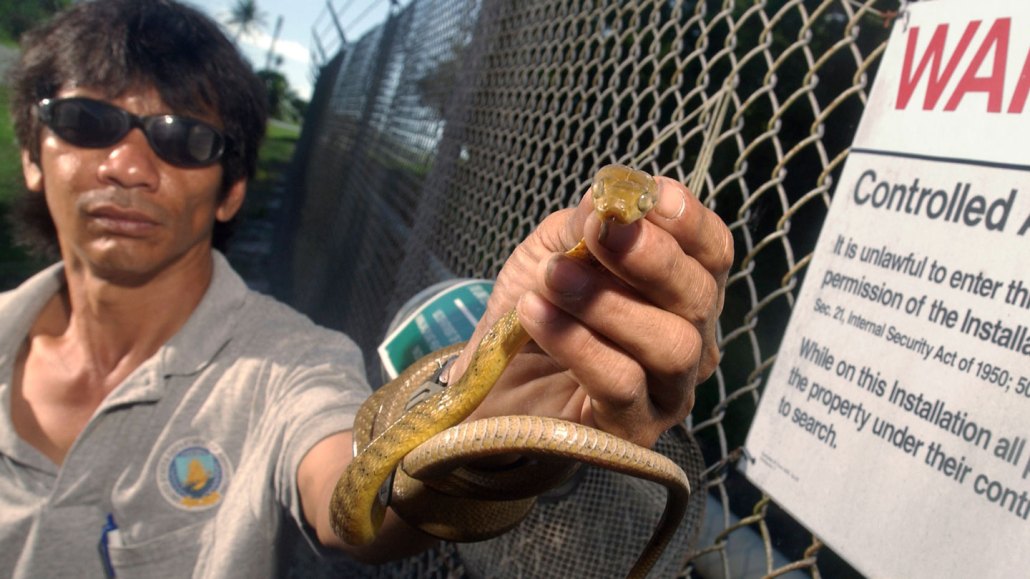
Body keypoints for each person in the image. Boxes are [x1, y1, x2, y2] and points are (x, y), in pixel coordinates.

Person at [0, 0, 733, 577]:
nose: (127, 165)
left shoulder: (290, 360)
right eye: (87, 121)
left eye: (180, 138)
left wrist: (486, 444)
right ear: (33, 154)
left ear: (232, 191)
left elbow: (349, 503)